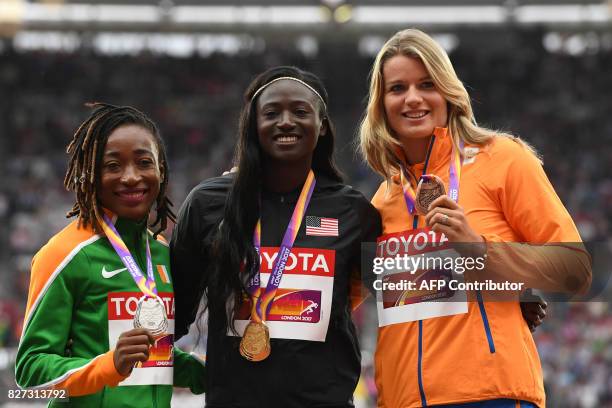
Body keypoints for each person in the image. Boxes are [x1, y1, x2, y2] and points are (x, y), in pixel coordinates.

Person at [359, 29, 591, 407]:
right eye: (397, 88)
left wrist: (479, 250)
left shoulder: (503, 158)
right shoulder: (384, 198)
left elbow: (576, 270)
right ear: (381, 103)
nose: (413, 98)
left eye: (427, 84)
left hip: (490, 395)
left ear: (448, 92)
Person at [171, 66, 382, 407]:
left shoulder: (353, 212)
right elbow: (171, 313)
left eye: (300, 112)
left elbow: (398, 301)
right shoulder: (209, 204)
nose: (286, 121)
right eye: (271, 113)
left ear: (322, 124)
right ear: (253, 124)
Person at [15, 103, 206, 407]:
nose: (131, 177)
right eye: (113, 166)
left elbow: (151, 362)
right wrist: (109, 365)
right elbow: (30, 369)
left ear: (161, 170)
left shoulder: (160, 252)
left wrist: (204, 371)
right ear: (90, 174)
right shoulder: (65, 253)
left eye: (144, 162)